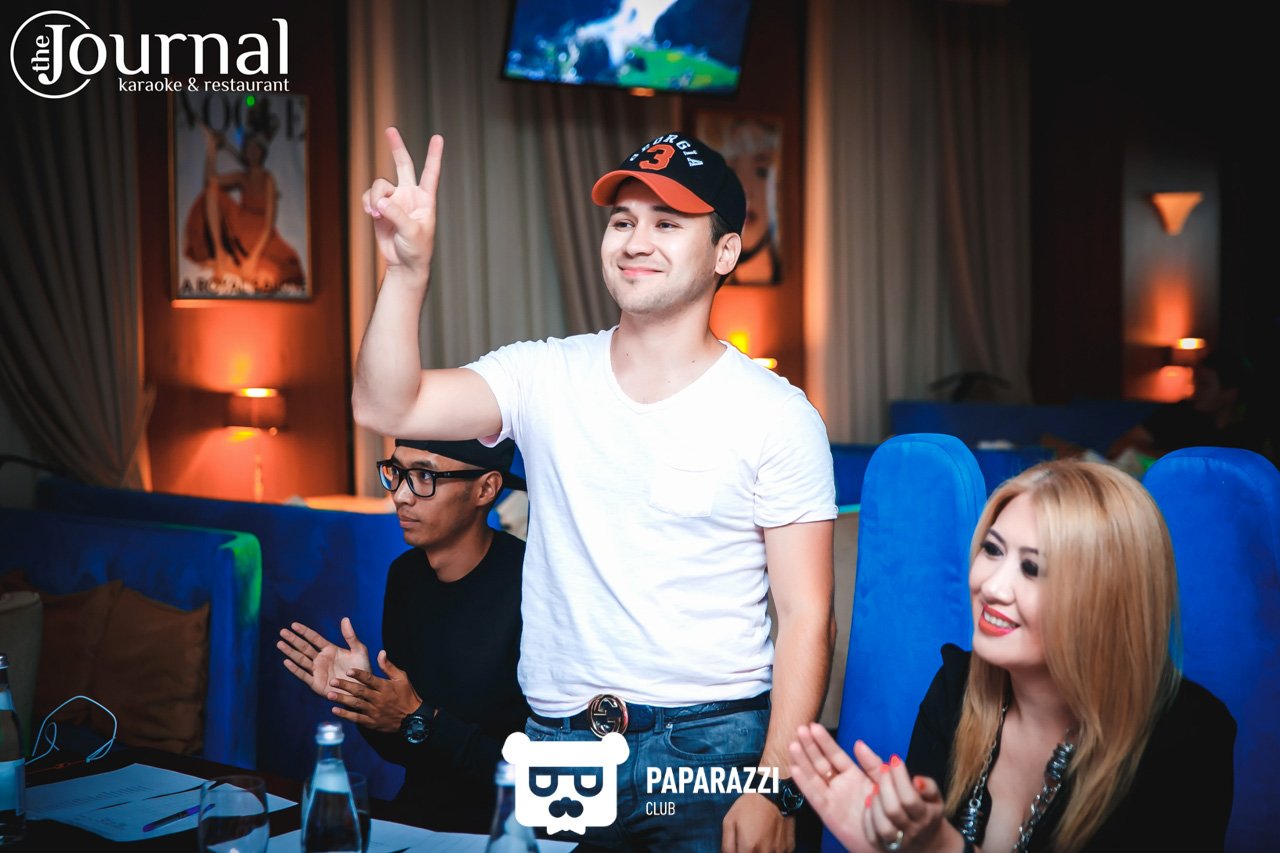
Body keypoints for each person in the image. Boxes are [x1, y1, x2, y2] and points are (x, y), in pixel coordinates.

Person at [351, 129, 836, 852]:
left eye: (668, 224)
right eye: (622, 221)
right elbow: (384, 405)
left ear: (726, 252)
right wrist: (406, 271)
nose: (636, 241)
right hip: (559, 743)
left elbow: (806, 615)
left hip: (708, 746)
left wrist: (775, 785)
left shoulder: (777, 413)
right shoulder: (543, 375)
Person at [789, 460, 1235, 852]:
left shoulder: (1187, 736)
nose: (992, 587)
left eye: (1033, 568)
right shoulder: (956, 689)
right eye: (993, 550)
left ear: (1105, 599)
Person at [276, 438, 529, 833]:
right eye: (397, 473)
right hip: (420, 819)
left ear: (486, 489)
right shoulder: (406, 576)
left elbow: (545, 773)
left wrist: (418, 716)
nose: (400, 495)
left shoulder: (532, 586)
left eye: (425, 476)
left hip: (511, 828)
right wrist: (365, 697)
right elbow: (410, 748)